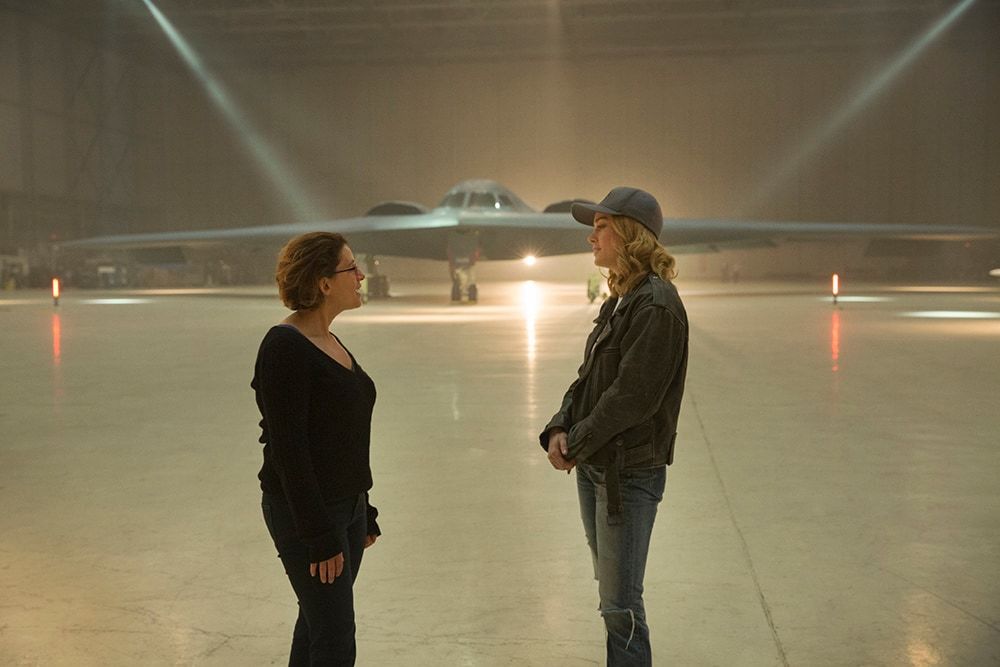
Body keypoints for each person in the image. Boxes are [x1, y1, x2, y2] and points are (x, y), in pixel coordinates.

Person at [540, 187, 689, 666]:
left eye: (600, 227)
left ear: (629, 234)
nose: (591, 238)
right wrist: (560, 426)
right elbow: (590, 380)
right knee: (613, 601)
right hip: (599, 467)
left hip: (627, 475)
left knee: (620, 605)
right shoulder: (622, 300)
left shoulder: (657, 307)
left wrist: (577, 442)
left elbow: (631, 399)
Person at [252, 231, 381, 665]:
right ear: (324, 283)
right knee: (335, 638)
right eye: (351, 268)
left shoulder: (328, 340)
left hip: (348, 509)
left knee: (317, 627)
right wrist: (320, 536)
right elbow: (291, 452)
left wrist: (365, 507)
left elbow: (339, 436)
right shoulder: (284, 348)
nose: (361, 275)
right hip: (308, 515)